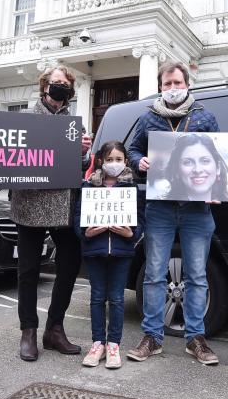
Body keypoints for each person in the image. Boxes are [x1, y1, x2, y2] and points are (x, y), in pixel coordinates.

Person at [126, 61, 221, 365]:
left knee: (197, 276)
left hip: (197, 210)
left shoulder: (205, 117)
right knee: (154, 274)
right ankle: (152, 337)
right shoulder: (148, 118)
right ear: (161, 87)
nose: (172, 89)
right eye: (167, 84)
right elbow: (132, 149)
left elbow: (217, 155)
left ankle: (196, 338)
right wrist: (138, 161)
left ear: (187, 85)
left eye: (177, 83)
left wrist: (218, 190)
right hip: (161, 208)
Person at [10, 65, 92, 362]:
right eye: (56, 82)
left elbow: (81, 166)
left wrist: (83, 152)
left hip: (63, 203)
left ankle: (54, 328)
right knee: (29, 270)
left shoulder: (74, 123)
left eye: (66, 83)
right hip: (30, 203)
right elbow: (9, 157)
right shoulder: (26, 119)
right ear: (45, 86)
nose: (61, 87)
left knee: (69, 265)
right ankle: (28, 330)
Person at [74, 141, 143, 369]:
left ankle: (113, 344)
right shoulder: (88, 187)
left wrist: (131, 233)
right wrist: (87, 233)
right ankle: (97, 344)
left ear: (125, 161)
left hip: (122, 252)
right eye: (110, 159)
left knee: (117, 299)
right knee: (96, 298)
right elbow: (77, 218)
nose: (114, 164)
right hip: (95, 251)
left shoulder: (131, 189)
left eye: (119, 159)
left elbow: (140, 220)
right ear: (101, 161)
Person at [159, 133, 228, 202]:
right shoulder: (161, 207)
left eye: (205, 161)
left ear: (218, 168)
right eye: (188, 162)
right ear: (177, 170)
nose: (197, 170)